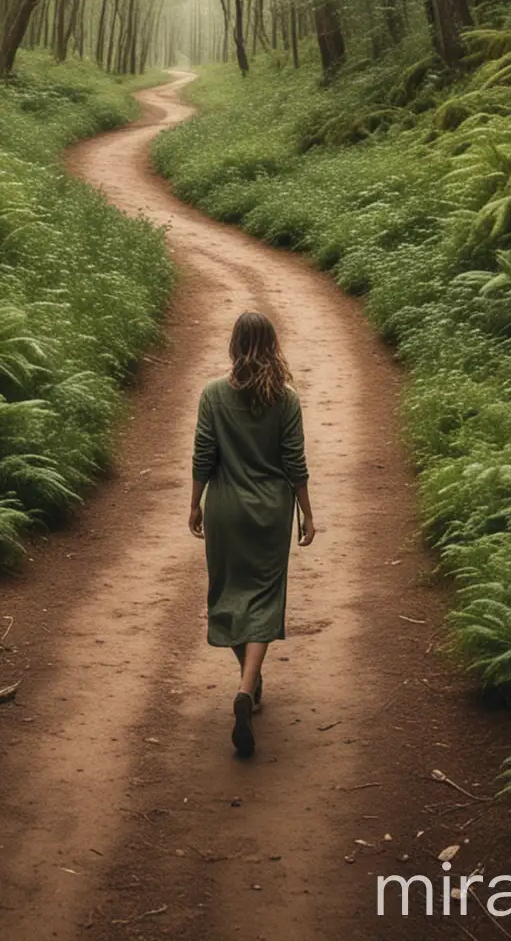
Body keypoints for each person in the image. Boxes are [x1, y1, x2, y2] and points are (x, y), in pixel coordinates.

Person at [188, 310, 315, 758]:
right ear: (272, 344)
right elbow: (294, 463)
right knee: (264, 596)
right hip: (269, 512)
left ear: (234, 344)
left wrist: (194, 504)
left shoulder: (212, 394)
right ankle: (247, 688)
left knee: (228, 594)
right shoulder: (286, 400)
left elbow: (204, 456)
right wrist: (307, 514)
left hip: (224, 509)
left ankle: (249, 680)